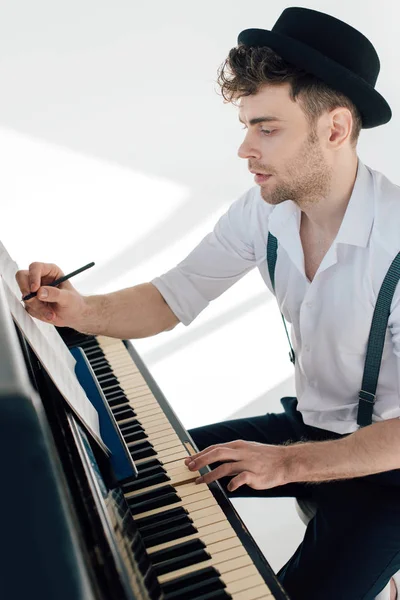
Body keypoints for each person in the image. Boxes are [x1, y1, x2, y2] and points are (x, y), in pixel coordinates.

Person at [15, 7, 400, 600]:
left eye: (267, 128)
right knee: (141, 485)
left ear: (335, 128)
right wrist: (79, 310)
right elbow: (173, 296)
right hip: (308, 424)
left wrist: (287, 464)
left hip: (389, 470)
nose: (245, 149)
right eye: (246, 126)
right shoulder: (262, 210)